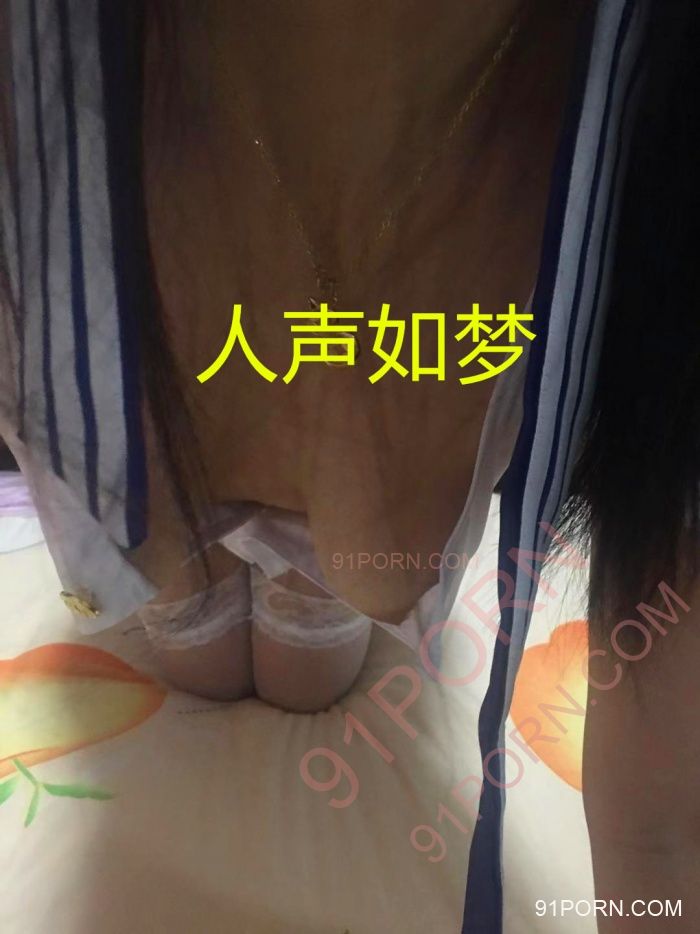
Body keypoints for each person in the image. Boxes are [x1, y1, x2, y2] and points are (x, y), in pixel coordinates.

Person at [1, 1, 698, 931]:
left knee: (306, 669)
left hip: (357, 539)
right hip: (154, 488)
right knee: (202, 647)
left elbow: (663, 823)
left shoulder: (642, 106)